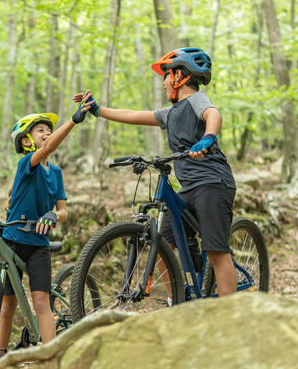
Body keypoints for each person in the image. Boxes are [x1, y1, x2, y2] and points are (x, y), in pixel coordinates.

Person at [75, 47, 237, 296]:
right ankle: (177, 300)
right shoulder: (169, 114)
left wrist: (208, 137)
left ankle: (232, 316)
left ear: (179, 77)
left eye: (166, 76)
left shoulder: (196, 99)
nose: (163, 84)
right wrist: (98, 110)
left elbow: (213, 113)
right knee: (161, 245)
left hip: (212, 182)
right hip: (189, 187)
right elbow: (132, 115)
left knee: (216, 251)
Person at [0, 105, 86, 357]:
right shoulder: (27, 162)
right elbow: (47, 149)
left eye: (49, 129)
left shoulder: (55, 172)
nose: (47, 133)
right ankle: (0, 355)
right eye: (40, 130)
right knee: (7, 304)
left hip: (39, 245)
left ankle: (51, 357)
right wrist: (73, 120)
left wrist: (53, 214)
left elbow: (64, 212)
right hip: (13, 240)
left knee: (41, 303)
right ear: (27, 141)